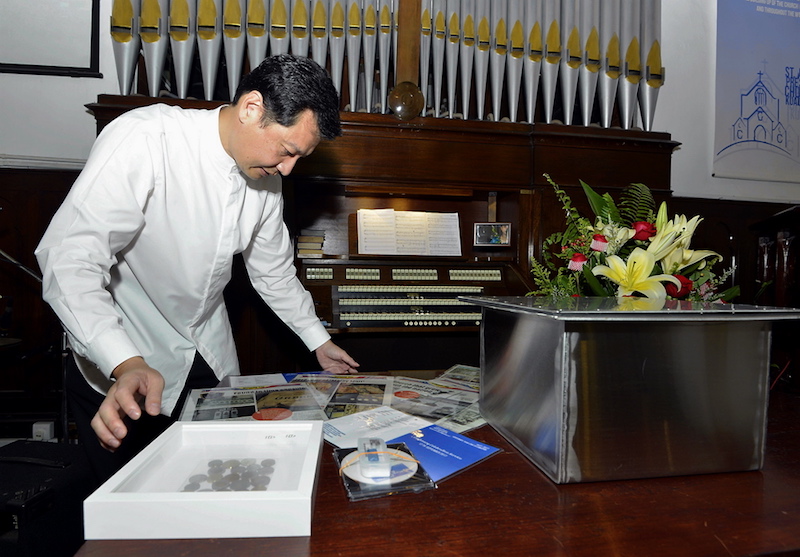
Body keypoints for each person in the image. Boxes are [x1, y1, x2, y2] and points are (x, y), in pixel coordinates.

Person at [35, 54, 359, 483]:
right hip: (124, 354)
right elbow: (70, 259)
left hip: (205, 349)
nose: (288, 168)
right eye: (287, 150)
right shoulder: (147, 137)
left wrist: (318, 340)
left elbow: (274, 273)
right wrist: (125, 362)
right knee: (130, 506)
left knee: (216, 481)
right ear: (251, 109)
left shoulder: (267, 178)